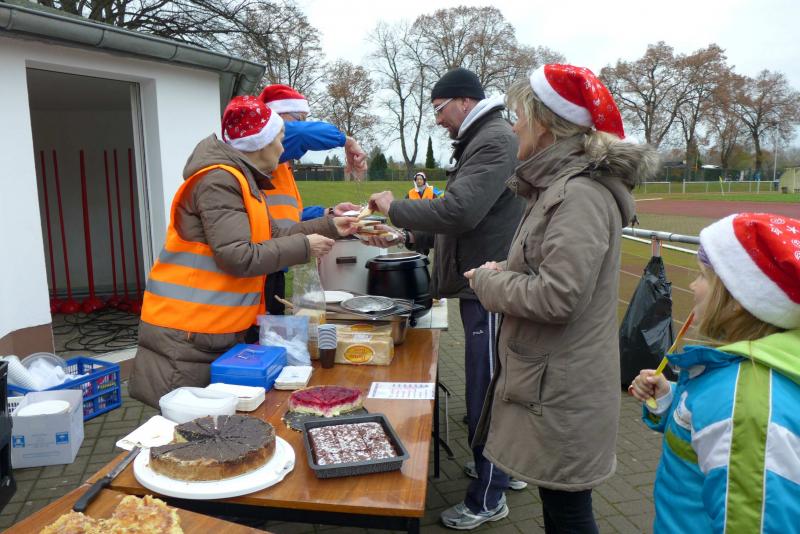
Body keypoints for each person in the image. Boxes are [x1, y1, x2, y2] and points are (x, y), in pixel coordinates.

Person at [464, 64, 656, 532]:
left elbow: (559, 296)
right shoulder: (558, 188)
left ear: (546, 124)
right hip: (552, 385)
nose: (514, 128)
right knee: (560, 508)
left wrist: (488, 283)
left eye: (520, 117)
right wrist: (507, 271)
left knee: (568, 513)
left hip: (564, 392)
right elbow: (551, 271)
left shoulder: (579, 194)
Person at [367, 67, 525, 530]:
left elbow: (460, 212)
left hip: (490, 289)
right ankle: (503, 469)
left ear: (463, 101)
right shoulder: (480, 139)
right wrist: (405, 235)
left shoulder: (493, 140)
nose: (437, 119)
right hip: (480, 284)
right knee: (487, 385)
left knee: (486, 391)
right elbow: (462, 219)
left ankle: (488, 498)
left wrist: (394, 207)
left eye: (439, 109)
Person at [129, 96, 357, 409]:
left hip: (210, 329)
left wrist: (331, 226)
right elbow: (237, 256)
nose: (282, 147)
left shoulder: (242, 180)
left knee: (213, 422)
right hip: (188, 332)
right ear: (261, 144)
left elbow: (274, 235)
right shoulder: (219, 181)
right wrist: (306, 246)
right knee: (185, 422)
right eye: (279, 139)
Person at [628, 212, 800, 533]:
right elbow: (708, 430)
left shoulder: (744, 405)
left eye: (703, 276)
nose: (692, 285)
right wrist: (668, 399)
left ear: (739, 298)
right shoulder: (746, 379)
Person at [257, 84, 366, 314]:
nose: (302, 124)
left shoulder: (280, 163)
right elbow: (301, 134)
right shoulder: (263, 146)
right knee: (261, 330)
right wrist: (347, 141)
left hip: (274, 262)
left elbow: (290, 216)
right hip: (262, 263)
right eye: (298, 118)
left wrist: (328, 213)